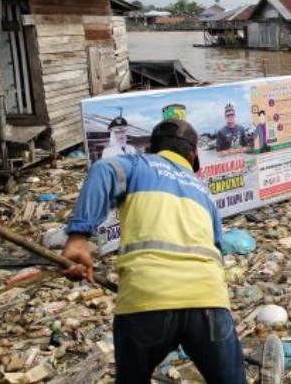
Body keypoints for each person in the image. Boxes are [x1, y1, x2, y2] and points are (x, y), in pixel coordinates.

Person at [62, 120, 244, 384]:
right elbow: (216, 246)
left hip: (147, 298)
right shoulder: (203, 191)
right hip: (208, 300)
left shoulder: (137, 165)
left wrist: (78, 238)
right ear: (193, 155)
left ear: (151, 148)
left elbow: (102, 169)